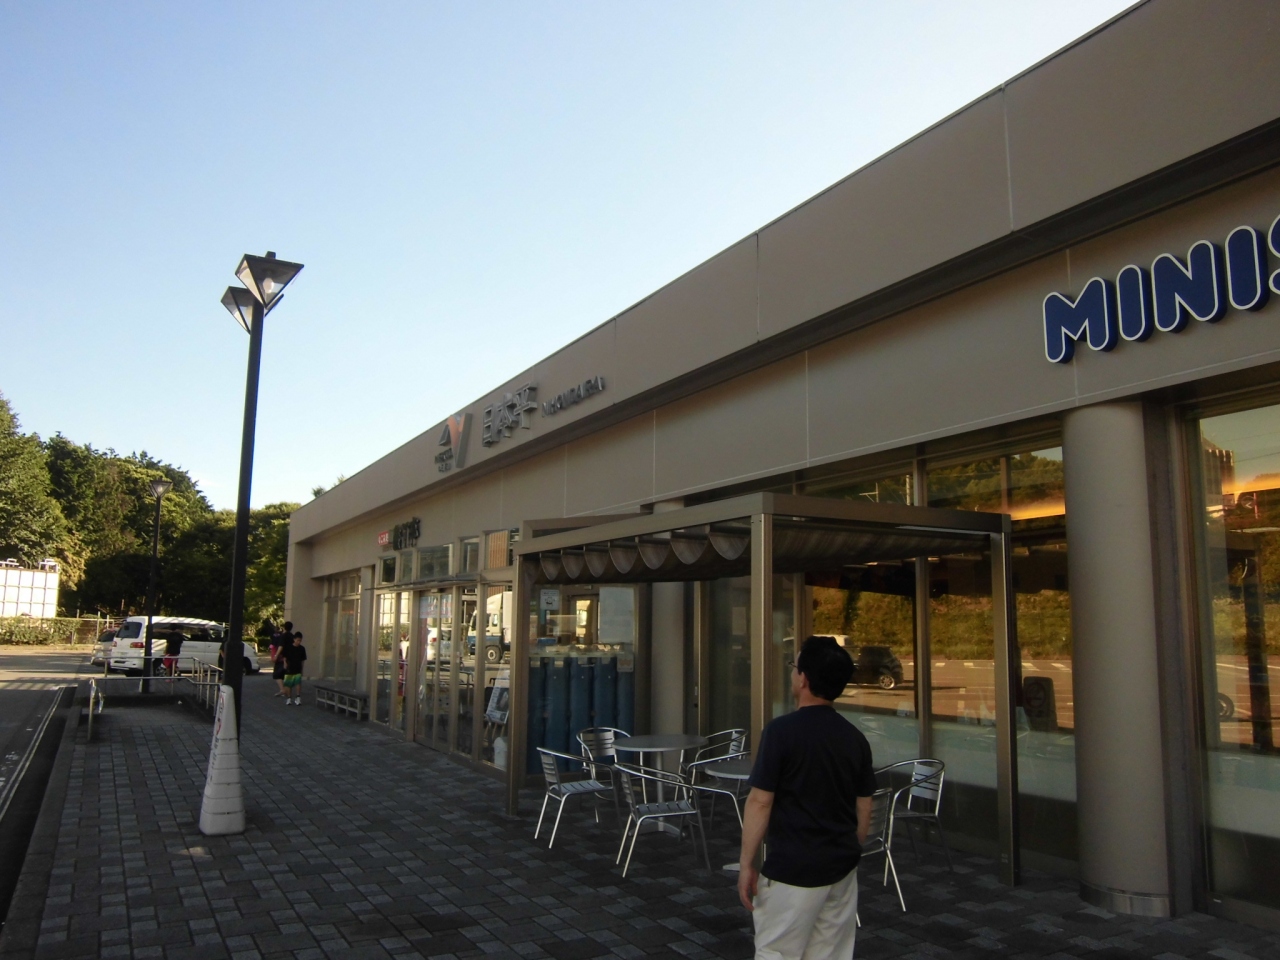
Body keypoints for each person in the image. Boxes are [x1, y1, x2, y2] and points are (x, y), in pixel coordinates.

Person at [738, 635, 877, 960]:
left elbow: (760, 801)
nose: (792, 672)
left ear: (804, 679)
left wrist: (746, 864)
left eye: (794, 666)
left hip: (792, 870)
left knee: (776, 952)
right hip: (841, 869)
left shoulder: (781, 732)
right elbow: (864, 805)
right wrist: (849, 848)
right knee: (830, 954)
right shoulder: (855, 739)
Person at [282, 631, 307, 705]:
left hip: (298, 667)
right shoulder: (288, 647)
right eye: (298, 640)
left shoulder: (302, 649)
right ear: (294, 639)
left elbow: (303, 660)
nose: (299, 642)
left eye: (300, 640)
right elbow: (284, 657)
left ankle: (298, 697)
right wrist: (285, 663)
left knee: (298, 683)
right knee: (288, 684)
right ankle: (289, 698)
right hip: (289, 667)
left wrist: (302, 669)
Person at [271, 628, 293, 697]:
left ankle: (283, 690)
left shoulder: (281, 638)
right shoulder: (290, 637)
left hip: (281, 659)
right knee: (285, 675)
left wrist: (276, 656)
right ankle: (285, 690)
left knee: (277, 674)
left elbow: (280, 647)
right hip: (287, 658)